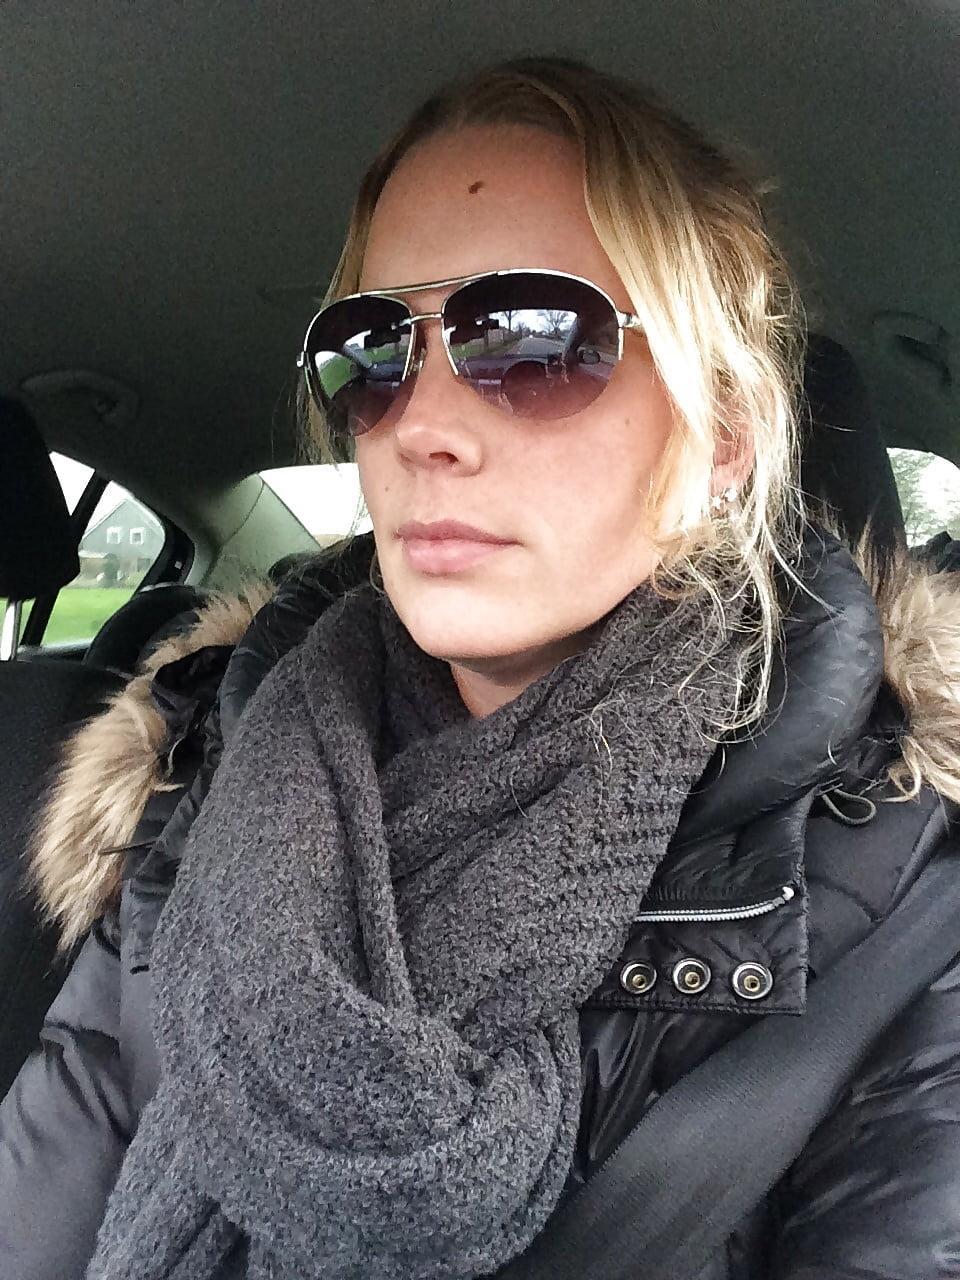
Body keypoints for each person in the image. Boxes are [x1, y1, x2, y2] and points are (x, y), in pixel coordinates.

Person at [2, 55, 959, 1280]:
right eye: (372, 350)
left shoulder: (907, 905)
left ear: (724, 433)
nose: (424, 425)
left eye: (531, 339)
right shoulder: (201, 775)